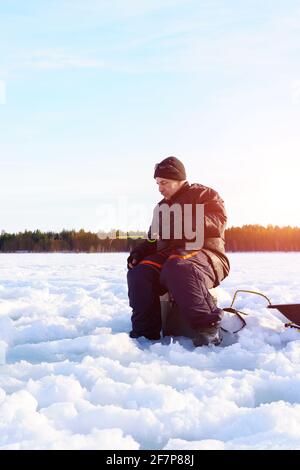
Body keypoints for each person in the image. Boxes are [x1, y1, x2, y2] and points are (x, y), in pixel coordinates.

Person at [127, 156, 230, 346]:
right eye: (157, 183)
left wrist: (185, 221)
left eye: (164, 182)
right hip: (171, 256)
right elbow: (153, 238)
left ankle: (208, 327)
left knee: (177, 264)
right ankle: (144, 335)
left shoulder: (204, 195)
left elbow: (218, 221)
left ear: (179, 179)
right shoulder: (161, 207)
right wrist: (140, 251)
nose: (160, 188)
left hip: (207, 255)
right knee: (141, 271)